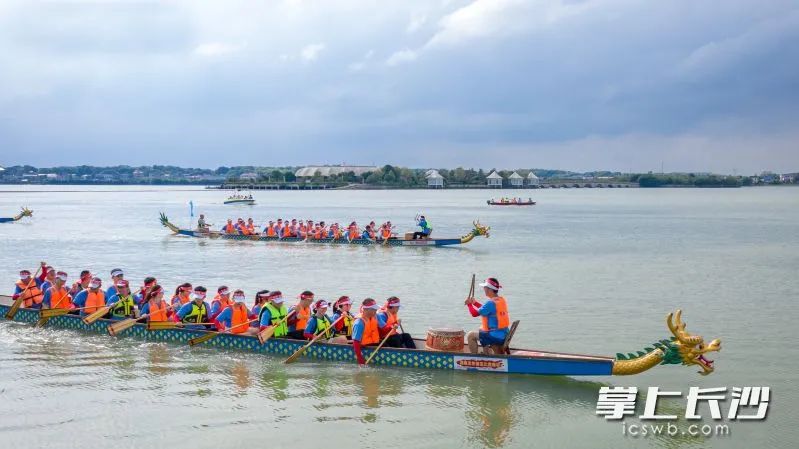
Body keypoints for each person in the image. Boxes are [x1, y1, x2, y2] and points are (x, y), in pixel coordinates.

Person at [465, 277, 510, 354]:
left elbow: (474, 314)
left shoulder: (490, 303)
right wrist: (475, 303)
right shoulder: (500, 300)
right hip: (503, 333)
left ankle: (474, 357)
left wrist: (469, 305)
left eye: (484, 288)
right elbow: (486, 309)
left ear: (489, 289)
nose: (484, 289)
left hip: (496, 336)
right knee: (482, 329)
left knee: (470, 335)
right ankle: (486, 354)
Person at [352, 298, 384, 365]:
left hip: (373, 343)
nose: (376, 311)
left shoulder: (372, 318)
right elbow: (355, 342)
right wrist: (360, 358)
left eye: (376, 309)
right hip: (365, 346)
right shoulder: (359, 323)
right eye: (374, 309)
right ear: (366, 310)